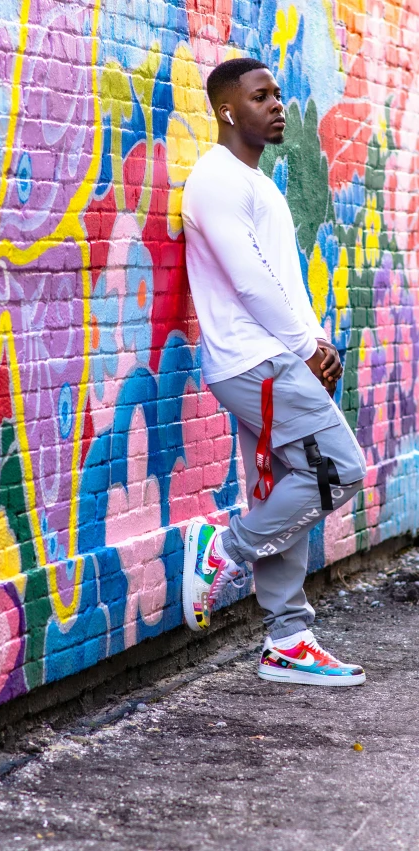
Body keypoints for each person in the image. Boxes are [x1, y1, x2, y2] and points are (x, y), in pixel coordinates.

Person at [181, 58, 367, 686]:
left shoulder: (259, 185)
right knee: (338, 468)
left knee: (286, 486)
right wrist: (303, 348)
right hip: (251, 359)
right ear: (228, 110)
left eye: (278, 95)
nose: (277, 105)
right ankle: (223, 552)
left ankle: (286, 638)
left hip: (276, 355)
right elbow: (250, 283)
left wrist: (317, 342)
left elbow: (284, 281)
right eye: (261, 97)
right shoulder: (214, 179)